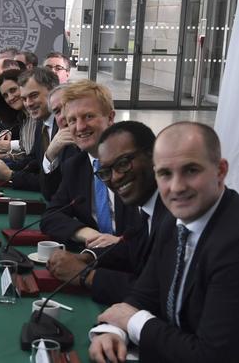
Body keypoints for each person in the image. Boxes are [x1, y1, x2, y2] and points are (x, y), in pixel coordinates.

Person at [89, 122, 239, 363]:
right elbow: (145, 294)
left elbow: (212, 355)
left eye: (191, 170)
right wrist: (113, 331)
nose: (177, 187)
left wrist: (133, 322)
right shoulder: (173, 221)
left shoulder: (232, 244)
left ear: (220, 171)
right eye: (165, 174)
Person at [47, 121, 169, 305]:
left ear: (153, 155)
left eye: (123, 163)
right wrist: (87, 257)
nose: (116, 177)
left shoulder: (176, 213)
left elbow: (159, 294)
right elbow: (132, 249)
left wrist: (86, 275)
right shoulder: (147, 207)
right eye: (105, 172)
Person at [40, 80, 137, 247]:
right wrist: (90, 235)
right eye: (72, 120)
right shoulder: (75, 166)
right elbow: (51, 217)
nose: (80, 127)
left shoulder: (136, 163)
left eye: (89, 116)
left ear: (111, 117)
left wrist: (120, 243)